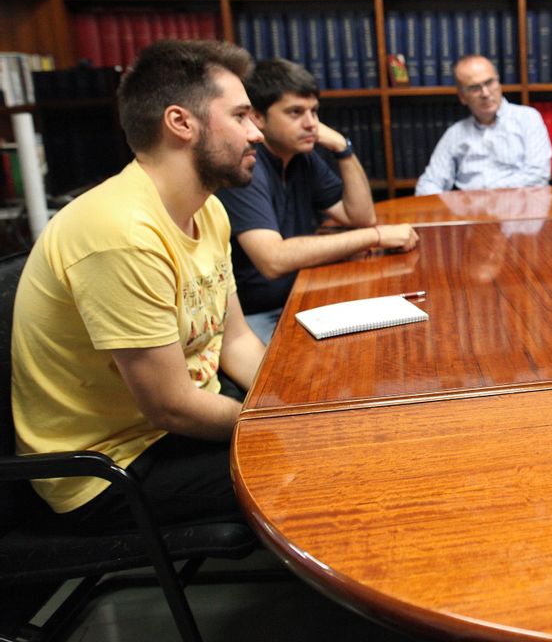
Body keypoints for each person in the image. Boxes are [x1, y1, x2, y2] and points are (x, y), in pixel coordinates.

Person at [11, 39, 268, 530]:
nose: (256, 133)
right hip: (107, 470)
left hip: (169, 432)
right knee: (313, 468)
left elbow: (235, 340)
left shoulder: (207, 209)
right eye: (240, 116)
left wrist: (286, 408)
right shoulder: (121, 232)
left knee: (326, 441)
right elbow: (170, 406)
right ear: (180, 123)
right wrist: (281, 426)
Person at [217, 59, 418, 343]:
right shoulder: (245, 164)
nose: (311, 124)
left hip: (300, 295)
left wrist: (342, 147)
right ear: (258, 118)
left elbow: (361, 216)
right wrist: (374, 237)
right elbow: (273, 259)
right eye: (296, 112)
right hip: (255, 317)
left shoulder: (303, 157)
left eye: (314, 112)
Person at [414, 54, 552, 196]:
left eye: (489, 82)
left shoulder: (527, 118)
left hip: (522, 211)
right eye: (475, 88)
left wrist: (486, 198)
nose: (485, 93)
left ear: (499, 83)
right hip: (470, 214)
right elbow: (429, 183)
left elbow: (538, 176)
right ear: (463, 97)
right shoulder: (455, 134)